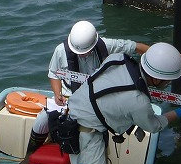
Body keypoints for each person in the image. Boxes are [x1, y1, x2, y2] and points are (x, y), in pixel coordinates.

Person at [24, 21, 151, 156]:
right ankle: (29, 155)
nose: (82, 55)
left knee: (99, 130)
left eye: (86, 52)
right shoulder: (60, 50)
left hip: (97, 100)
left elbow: (137, 47)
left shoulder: (107, 45)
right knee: (42, 120)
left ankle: (101, 157)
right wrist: (57, 93)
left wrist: (162, 57)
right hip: (68, 96)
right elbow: (54, 73)